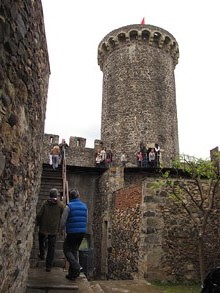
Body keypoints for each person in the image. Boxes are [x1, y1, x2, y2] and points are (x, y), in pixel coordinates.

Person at [60, 189, 88, 280]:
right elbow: (86, 219)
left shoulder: (69, 207)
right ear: (78, 196)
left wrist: (61, 229)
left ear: (71, 196)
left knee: (66, 250)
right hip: (82, 232)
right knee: (74, 251)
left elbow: (63, 220)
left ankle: (76, 266)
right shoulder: (84, 206)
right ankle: (72, 275)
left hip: (72, 232)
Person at [36, 188, 65, 272]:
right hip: (53, 229)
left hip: (43, 228)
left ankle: (42, 254)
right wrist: (61, 227)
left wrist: (38, 222)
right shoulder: (61, 205)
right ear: (57, 196)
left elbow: (39, 214)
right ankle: (48, 266)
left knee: (41, 242)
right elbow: (64, 215)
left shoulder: (45, 203)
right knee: (51, 248)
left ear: (49, 195)